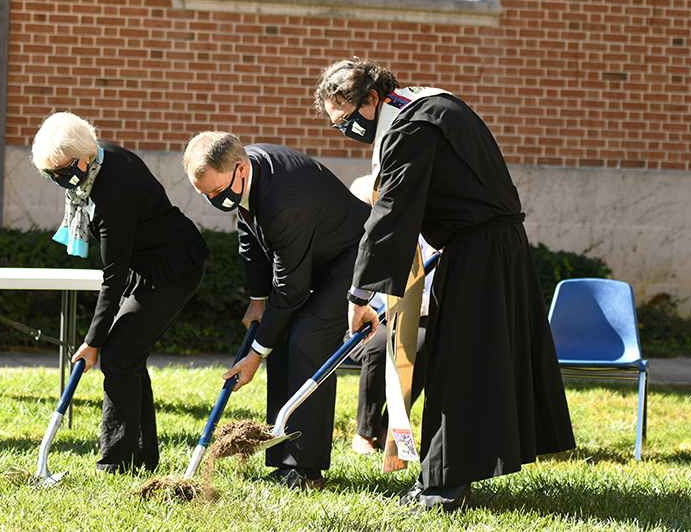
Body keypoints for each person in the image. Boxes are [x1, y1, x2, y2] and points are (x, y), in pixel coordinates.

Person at [314, 58, 576, 512]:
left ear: (372, 99)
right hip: (491, 248)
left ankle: (443, 490)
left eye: (348, 119)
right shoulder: (432, 103)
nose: (347, 130)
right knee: (466, 367)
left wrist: (359, 296)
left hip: (480, 254)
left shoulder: (410, 128)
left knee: (458, 372)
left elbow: (392, 216)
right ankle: (445, 478)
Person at [182, 131, 370, 490]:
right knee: (283, 338)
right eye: (205, 195)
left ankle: (306, 470)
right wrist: (257, 299)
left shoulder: (285, 205)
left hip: (353, 254)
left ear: (239, 169)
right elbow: (249, 237)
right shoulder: (240, 174)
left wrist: (254, 355)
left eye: (218, 193)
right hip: (317, 249)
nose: (214, 200)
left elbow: (290, 290)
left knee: (307, 337)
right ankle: (284, 455)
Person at [31, 112, 209, 474]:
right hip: (147, 266)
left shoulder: (112, 194)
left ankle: (116, 460)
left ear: (83, 157)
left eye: (63, 171)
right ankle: (141, 456)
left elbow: (112, 277)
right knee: (127, 355)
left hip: (173, 268)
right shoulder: (97, 163)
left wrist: (92, 341)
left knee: (118, 355)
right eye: (51, 174)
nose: (59, 180)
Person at [346, 175, 434, 456]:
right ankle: (365, 432)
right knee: (377, 345)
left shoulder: (421, 239)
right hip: (367, 324)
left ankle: (391, 428)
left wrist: (419, 303)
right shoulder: (355, 242)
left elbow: (431, 290)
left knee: (421, 346)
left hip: (414, 319)